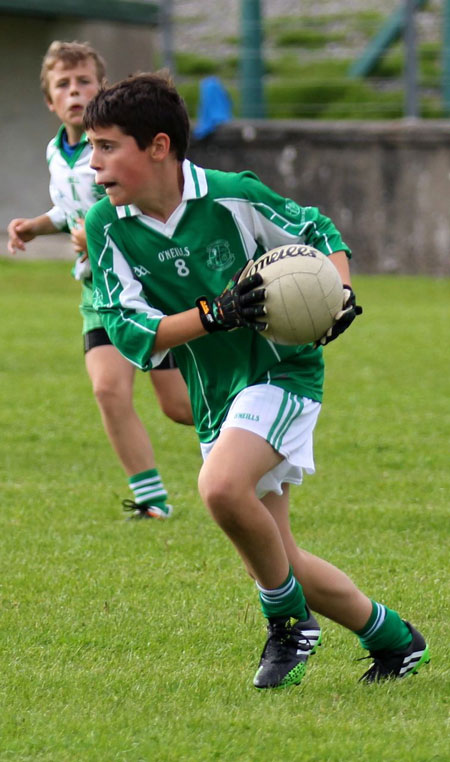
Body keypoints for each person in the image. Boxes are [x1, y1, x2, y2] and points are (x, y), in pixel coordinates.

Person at [83, 72, 430, 688]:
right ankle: (395, 640)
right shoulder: (110, 227)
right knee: (278, 556)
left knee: (219, 489)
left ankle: (289, 625)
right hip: (218, 395)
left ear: (158, 147)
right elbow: (128, 328)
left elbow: (319, 232)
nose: (93, 162)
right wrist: (212, 315)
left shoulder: (233, 197)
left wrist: (339, 289)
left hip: (281, 372)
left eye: (107, 146)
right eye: (91, 147)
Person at [7, 42, 193, 521]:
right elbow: (71, 213)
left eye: (84, 81)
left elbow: (141, 207)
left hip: (144, 288)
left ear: (101, 89)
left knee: (177, 406)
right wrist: (36, 225)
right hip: (99, 293)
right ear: (50, 102)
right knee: (108, 391)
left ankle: (253, 429)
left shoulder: (122, 151)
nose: (75, 91)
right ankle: (151, 499)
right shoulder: (57, 153)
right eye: (63, 85)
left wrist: (102, 233)